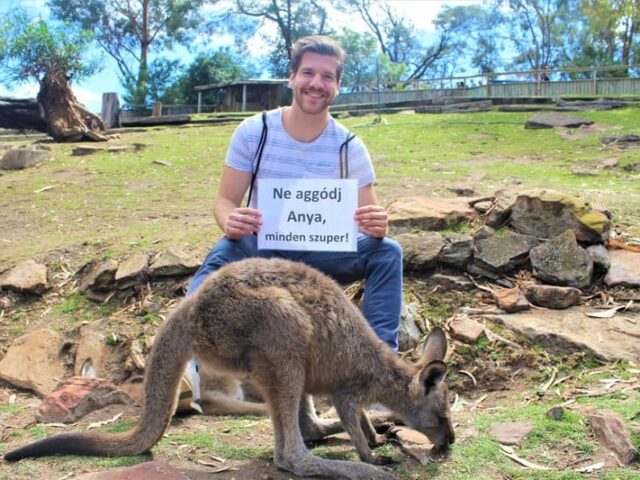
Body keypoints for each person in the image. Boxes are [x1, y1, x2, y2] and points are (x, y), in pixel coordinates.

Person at [178, 35, 403, 413]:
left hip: (324, 254)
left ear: (338, 85)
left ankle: (380, 382)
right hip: (264, 247)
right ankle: (187, 370)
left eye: (327, 77)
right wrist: (229, 220)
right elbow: (225, 201)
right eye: (309, 73)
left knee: (388, 253)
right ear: (292, 77)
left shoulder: (350, 147)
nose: (317, 84)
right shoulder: (256, 131)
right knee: (221, 257)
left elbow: (371, 221)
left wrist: (378, 223)